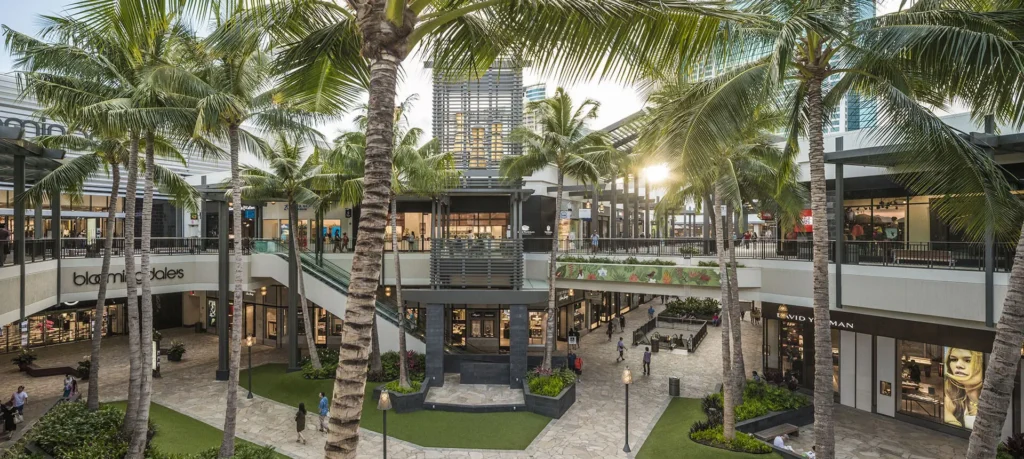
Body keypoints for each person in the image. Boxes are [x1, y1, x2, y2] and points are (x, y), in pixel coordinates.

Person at [944, 347, 984, 429]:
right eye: (954, 359)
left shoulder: (993, 404)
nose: (958, 365)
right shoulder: (953, 392)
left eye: (968, 360)